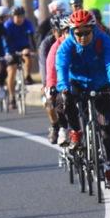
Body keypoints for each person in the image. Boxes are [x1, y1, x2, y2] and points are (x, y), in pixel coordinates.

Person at [56, 9, 110, 189]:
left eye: (87, 32)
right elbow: (61, 66)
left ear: (93, 30)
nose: (83, 36)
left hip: (101, 86)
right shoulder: (67, 45)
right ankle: (76, 132)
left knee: (106, 127)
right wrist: (63, 88)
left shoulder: (104, 41)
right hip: (78, 84)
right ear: (72, 32)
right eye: (78, 33)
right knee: (64, 100)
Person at [44, 15, 70, 145]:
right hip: (58, 80)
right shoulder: (52, 46)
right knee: (51, 100)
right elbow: (49, 68)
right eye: (65, 31)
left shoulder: (82, 41)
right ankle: (57, 127)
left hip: (78, 81)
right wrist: (50, 86)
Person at [4, 6, 36, 109]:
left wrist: (33, 50)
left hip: (23, 46)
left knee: (27, 54)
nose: (19, 19)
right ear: (12, 17)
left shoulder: (27, 23)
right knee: (11, 71)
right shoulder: (8, 25)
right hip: (10, 48)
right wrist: (9, 52)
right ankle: (12, 97)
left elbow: (31, 37)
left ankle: (27, 76)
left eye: (21, 16)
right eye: (17, 17)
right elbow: (6, 40)